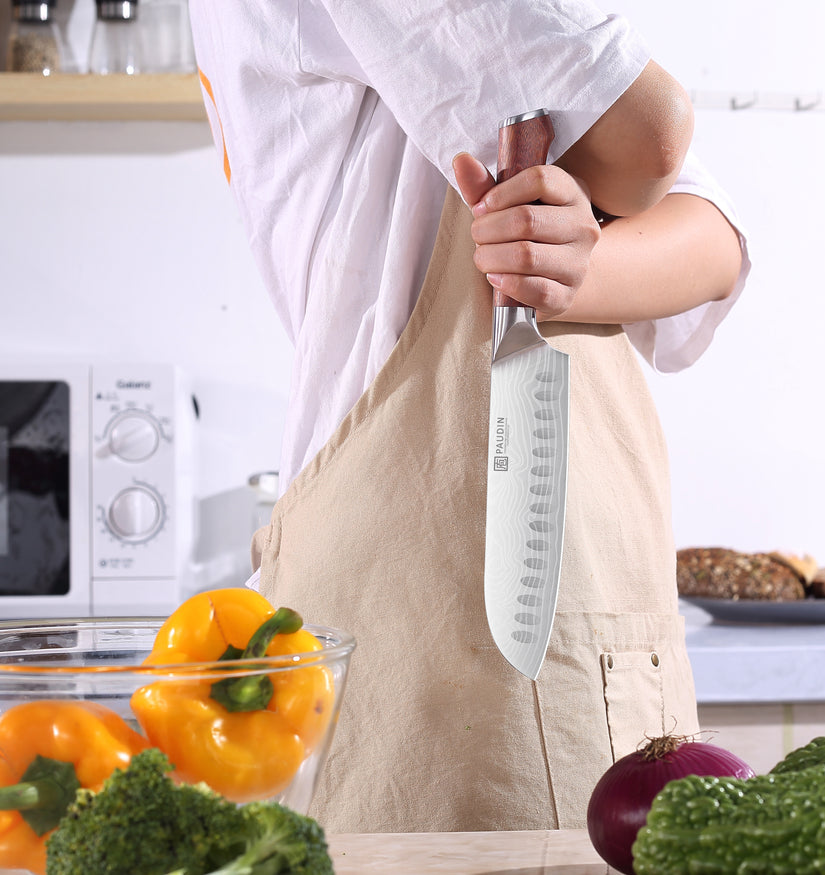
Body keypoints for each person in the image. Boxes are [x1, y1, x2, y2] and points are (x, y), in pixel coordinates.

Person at [188, 0, 749, 834]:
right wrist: (594, 225)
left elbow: (715, 241)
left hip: (582, 577)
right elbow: (649, 140)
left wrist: (571, 267)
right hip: (429, 573)